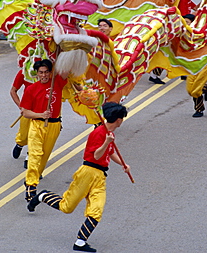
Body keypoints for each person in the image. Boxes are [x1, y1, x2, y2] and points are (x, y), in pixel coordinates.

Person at [27, 102, 130, 253]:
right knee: (67, 207)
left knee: (97, 209)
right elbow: (96, 155)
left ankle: (80, 241)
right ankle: (43, 196)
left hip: (100, 176)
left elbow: (110, 151)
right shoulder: (98, 133)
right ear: (118, 119)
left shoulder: (110, 134)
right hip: (87, 172)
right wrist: (106, 142)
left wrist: (123, 164)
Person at [20, 59, 68, 201]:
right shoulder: (31, 89)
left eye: (46, 72)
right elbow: (25, 112)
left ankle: (33, 178)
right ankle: (31, 186)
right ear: (37, 74)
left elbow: (66, 70)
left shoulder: (57, 82)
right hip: (37, 124)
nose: (44, 75)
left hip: (54, 125)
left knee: (44, 157)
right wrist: (40, 115)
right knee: (35, 154)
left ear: (50, 72)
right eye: (41, 72)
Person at [183, 14, 207, 118]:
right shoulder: (185, 35)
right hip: (193, 66)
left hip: (205, 66)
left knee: (196, 90)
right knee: (190, 89)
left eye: (187, 22)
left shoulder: (204, 34)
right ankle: (206, 88)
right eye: (184, 22)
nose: (185, 24)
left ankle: (199, 110)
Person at [10, 69, 34, 167]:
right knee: (24, 135)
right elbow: (13, 91)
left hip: (43, 112)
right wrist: (21, 106)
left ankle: (31, 157)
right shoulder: (24, 71)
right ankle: (20, 143)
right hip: (28, 110)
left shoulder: (51, 74)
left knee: (36, 137)